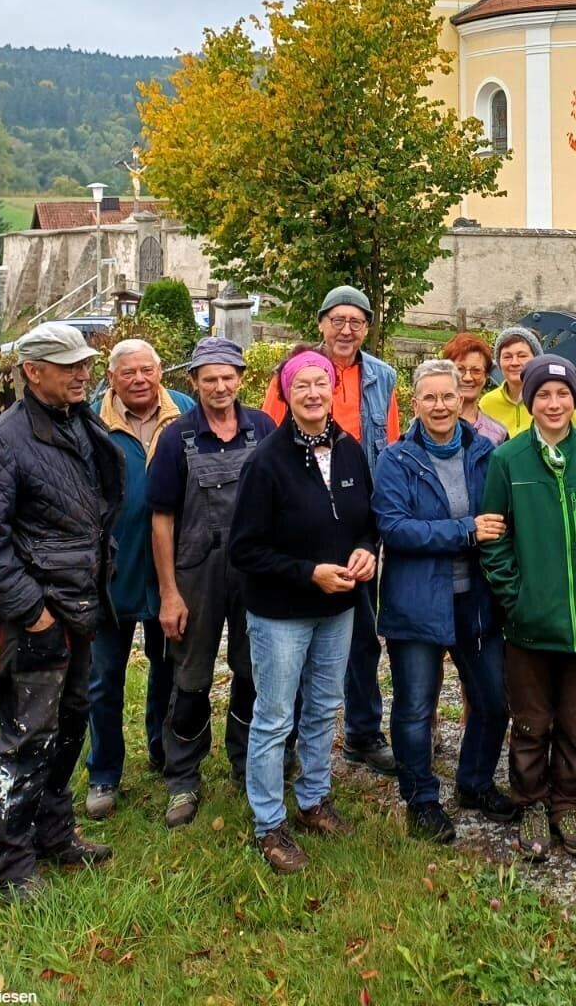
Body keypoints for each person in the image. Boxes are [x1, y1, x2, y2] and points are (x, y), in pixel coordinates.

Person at [0, 321, 123, 903]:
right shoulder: (5, 441)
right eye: (70, 365)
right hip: (38, 617)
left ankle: (55, 834)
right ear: (34, 372)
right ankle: (9, 866)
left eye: (85, 363)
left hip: (80, 607)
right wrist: (31, 614)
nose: (84, 372)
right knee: (27, 738)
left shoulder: (76, 420)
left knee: (70, 724)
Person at [231, 349, 378, 873]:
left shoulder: (351, 450)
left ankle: (314, 799)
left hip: (338, 609)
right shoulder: (266, 462)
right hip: (281, 614)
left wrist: (366, 548)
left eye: (322, 383)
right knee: (274, 718)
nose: (313, 394)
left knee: (322, 708)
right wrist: (307, 571)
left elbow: (365, 517)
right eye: (302, 386)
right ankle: (269, 823)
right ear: (286, 395)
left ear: (333, 389)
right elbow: (244, 550)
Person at [480, 354, 576, 861]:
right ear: (530, 398)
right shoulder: (508, 460)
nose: (553, 403)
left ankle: (568, 802)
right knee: (531, 723)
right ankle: (532, 803)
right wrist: (513, 595)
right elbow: (494, 537)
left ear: (574, 400)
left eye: (562, 394)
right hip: (530, 623)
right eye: (543, 394)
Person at [372, 359, 515, 843]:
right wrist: (466, 530)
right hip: (416, 601)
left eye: (447, 396)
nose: (439, 405)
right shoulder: (396, 460)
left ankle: (474, 783)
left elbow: (507, 514)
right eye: (429, 397)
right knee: (414, 707)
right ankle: (422, 800)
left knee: (493, 701)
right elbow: (394, 528)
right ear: (416, 403)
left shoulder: (487, 453)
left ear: (463, 399)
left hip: (476, 598)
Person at [260, 284, 397, 776]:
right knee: (297, 635)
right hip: (300, 523)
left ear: (367, 327)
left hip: (358, 525)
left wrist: (377, 533)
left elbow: (392, 450)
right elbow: (269, 441)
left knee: (362, 635)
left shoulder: (382, 377)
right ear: (321, 324)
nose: (346, 329)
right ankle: (290, 737)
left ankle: (363, 732)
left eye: (356, 321)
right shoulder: (294, 374)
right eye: (337, 320)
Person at [146, 337, 275, 828]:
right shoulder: (177, 438)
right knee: (190, 675)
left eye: (228, 377)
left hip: (253, 571)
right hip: (196, 572)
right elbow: (161, 520)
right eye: (209, 379)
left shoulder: (262, 429)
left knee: (252, 671)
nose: (220, 387)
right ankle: (183, 778)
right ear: (193, 383)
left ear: (241, 379)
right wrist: (169, 593)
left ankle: (246, 766)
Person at [84, 339, 193, 821]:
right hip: (110, 570)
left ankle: (163, 750)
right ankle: (103, 773)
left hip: (170, 569)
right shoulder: (89, 421)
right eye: (127, 372)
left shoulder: (185, 412)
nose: (138, 379)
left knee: (168, 668)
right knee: (102, 677)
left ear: (160, 371)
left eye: (146, 370)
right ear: (112, 378)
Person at [480, 325, 576, 439]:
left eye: (522, 356)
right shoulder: (487, 404)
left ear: (536, 359)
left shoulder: (560, 401)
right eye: (507, 357)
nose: (514, 362)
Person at [441, 332, 507, 445]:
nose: (468, 378)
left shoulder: (498, 434)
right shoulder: (428, 426)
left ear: (486, 376)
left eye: (476, 370)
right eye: (460, 369)